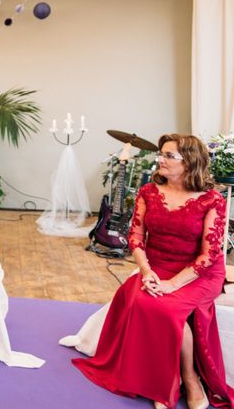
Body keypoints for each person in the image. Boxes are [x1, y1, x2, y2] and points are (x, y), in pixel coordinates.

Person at [72, 134, 234, 409]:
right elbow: (135, 237)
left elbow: (209, 255)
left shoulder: (212, 200)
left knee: (167, 309)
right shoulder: (149, 191)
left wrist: (172, 285)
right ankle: (168, 384)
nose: (160, 159)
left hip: (200, 272)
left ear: (190, 162)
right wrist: (146, 272)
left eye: (169, 156)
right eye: (161, 154)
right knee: (147, 302)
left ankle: (191, 379)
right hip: (156, 265)